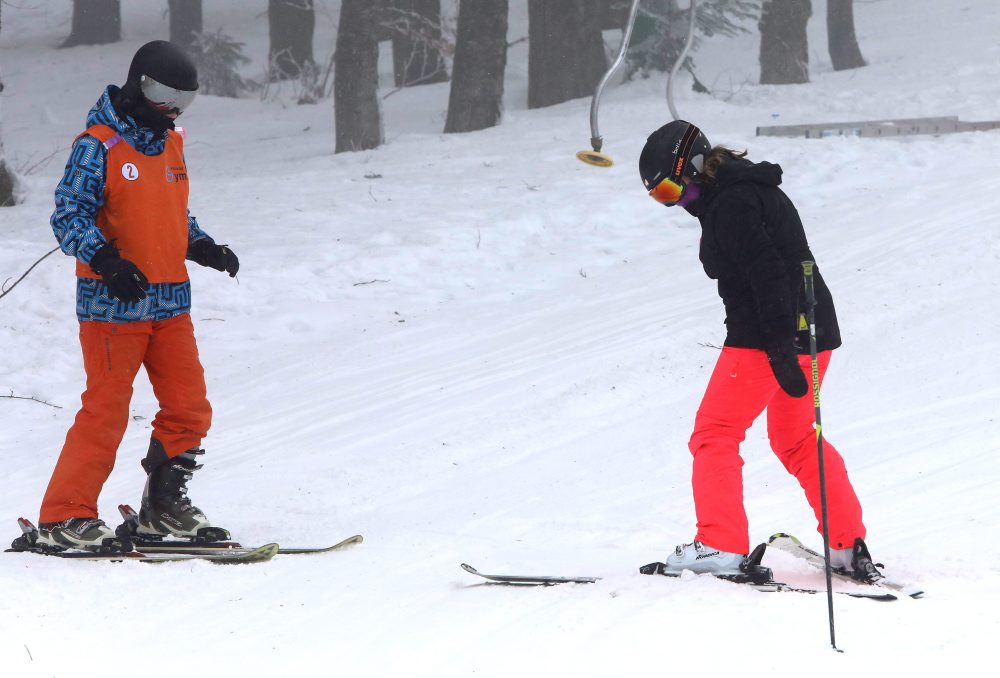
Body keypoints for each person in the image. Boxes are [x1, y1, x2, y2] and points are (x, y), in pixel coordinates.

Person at [639, 120, 882, 582]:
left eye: (670, 189)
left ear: (691, 167)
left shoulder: (731, 204)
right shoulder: (746, 189)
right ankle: (847, 544)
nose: (673, 202)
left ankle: (719, 544)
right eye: (660, 198)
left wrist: (776, 346)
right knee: (795, 439)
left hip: (767, 336)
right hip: (814, 329)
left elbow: (769, 272)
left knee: (715, 433)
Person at [38, 41, 239, 552]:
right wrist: (106, 261)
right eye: (164, 95)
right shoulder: (97, 145)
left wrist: (201, 245)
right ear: (137, 84)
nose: (172, 109)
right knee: (107, 410)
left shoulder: (171, 144)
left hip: (170, 303)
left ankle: (163, 509)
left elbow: (171, 210)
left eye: (183, 101)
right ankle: (66, 514)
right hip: (112, 306)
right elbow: (68, 217)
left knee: (190, 408)